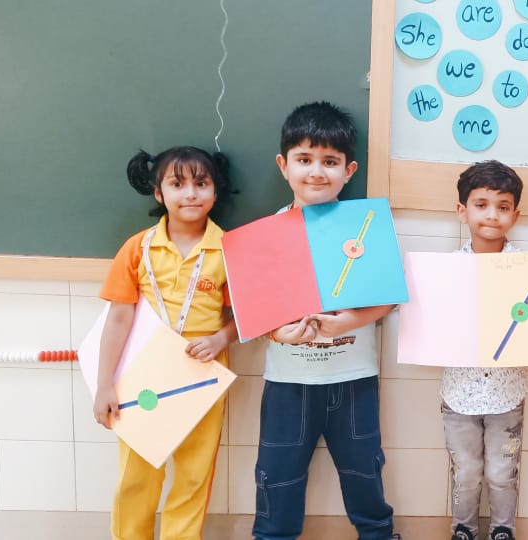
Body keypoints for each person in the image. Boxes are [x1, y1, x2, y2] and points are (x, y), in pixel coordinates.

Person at [252, 101, 399, 540]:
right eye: (304, 159)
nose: (317, 171)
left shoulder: (367, 227)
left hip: (353, 379)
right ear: (283, 165)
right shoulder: (265, 233)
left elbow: (389, 300)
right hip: (287, 382)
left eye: (330, 162)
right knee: (276, 477)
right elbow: (256, 312)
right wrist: (277, 331)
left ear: (349, 170)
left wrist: (349, 321)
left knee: (365, 473)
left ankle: (377, 533)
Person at [94, 145, 238, 540]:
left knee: (194, 475)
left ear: (214, 191)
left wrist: (219, 338)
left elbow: (244, 317)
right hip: (144, 373)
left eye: (201, 183)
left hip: (204, 374)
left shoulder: (230, 249)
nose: (190, 193)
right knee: (136, 474)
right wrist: (105, 384)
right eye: (177, 184)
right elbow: (118, 318)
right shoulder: (137, 248)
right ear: (159, 194)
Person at [439, 161, 528, 540]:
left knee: (502, 472)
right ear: (462, 210)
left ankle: (502, 530)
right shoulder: (446, 269)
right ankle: (462, 530)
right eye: (481, 204)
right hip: (458, 394)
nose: (491, 215)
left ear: (515, 215)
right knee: (465, 471)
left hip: (507, 394)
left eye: (502, 206)